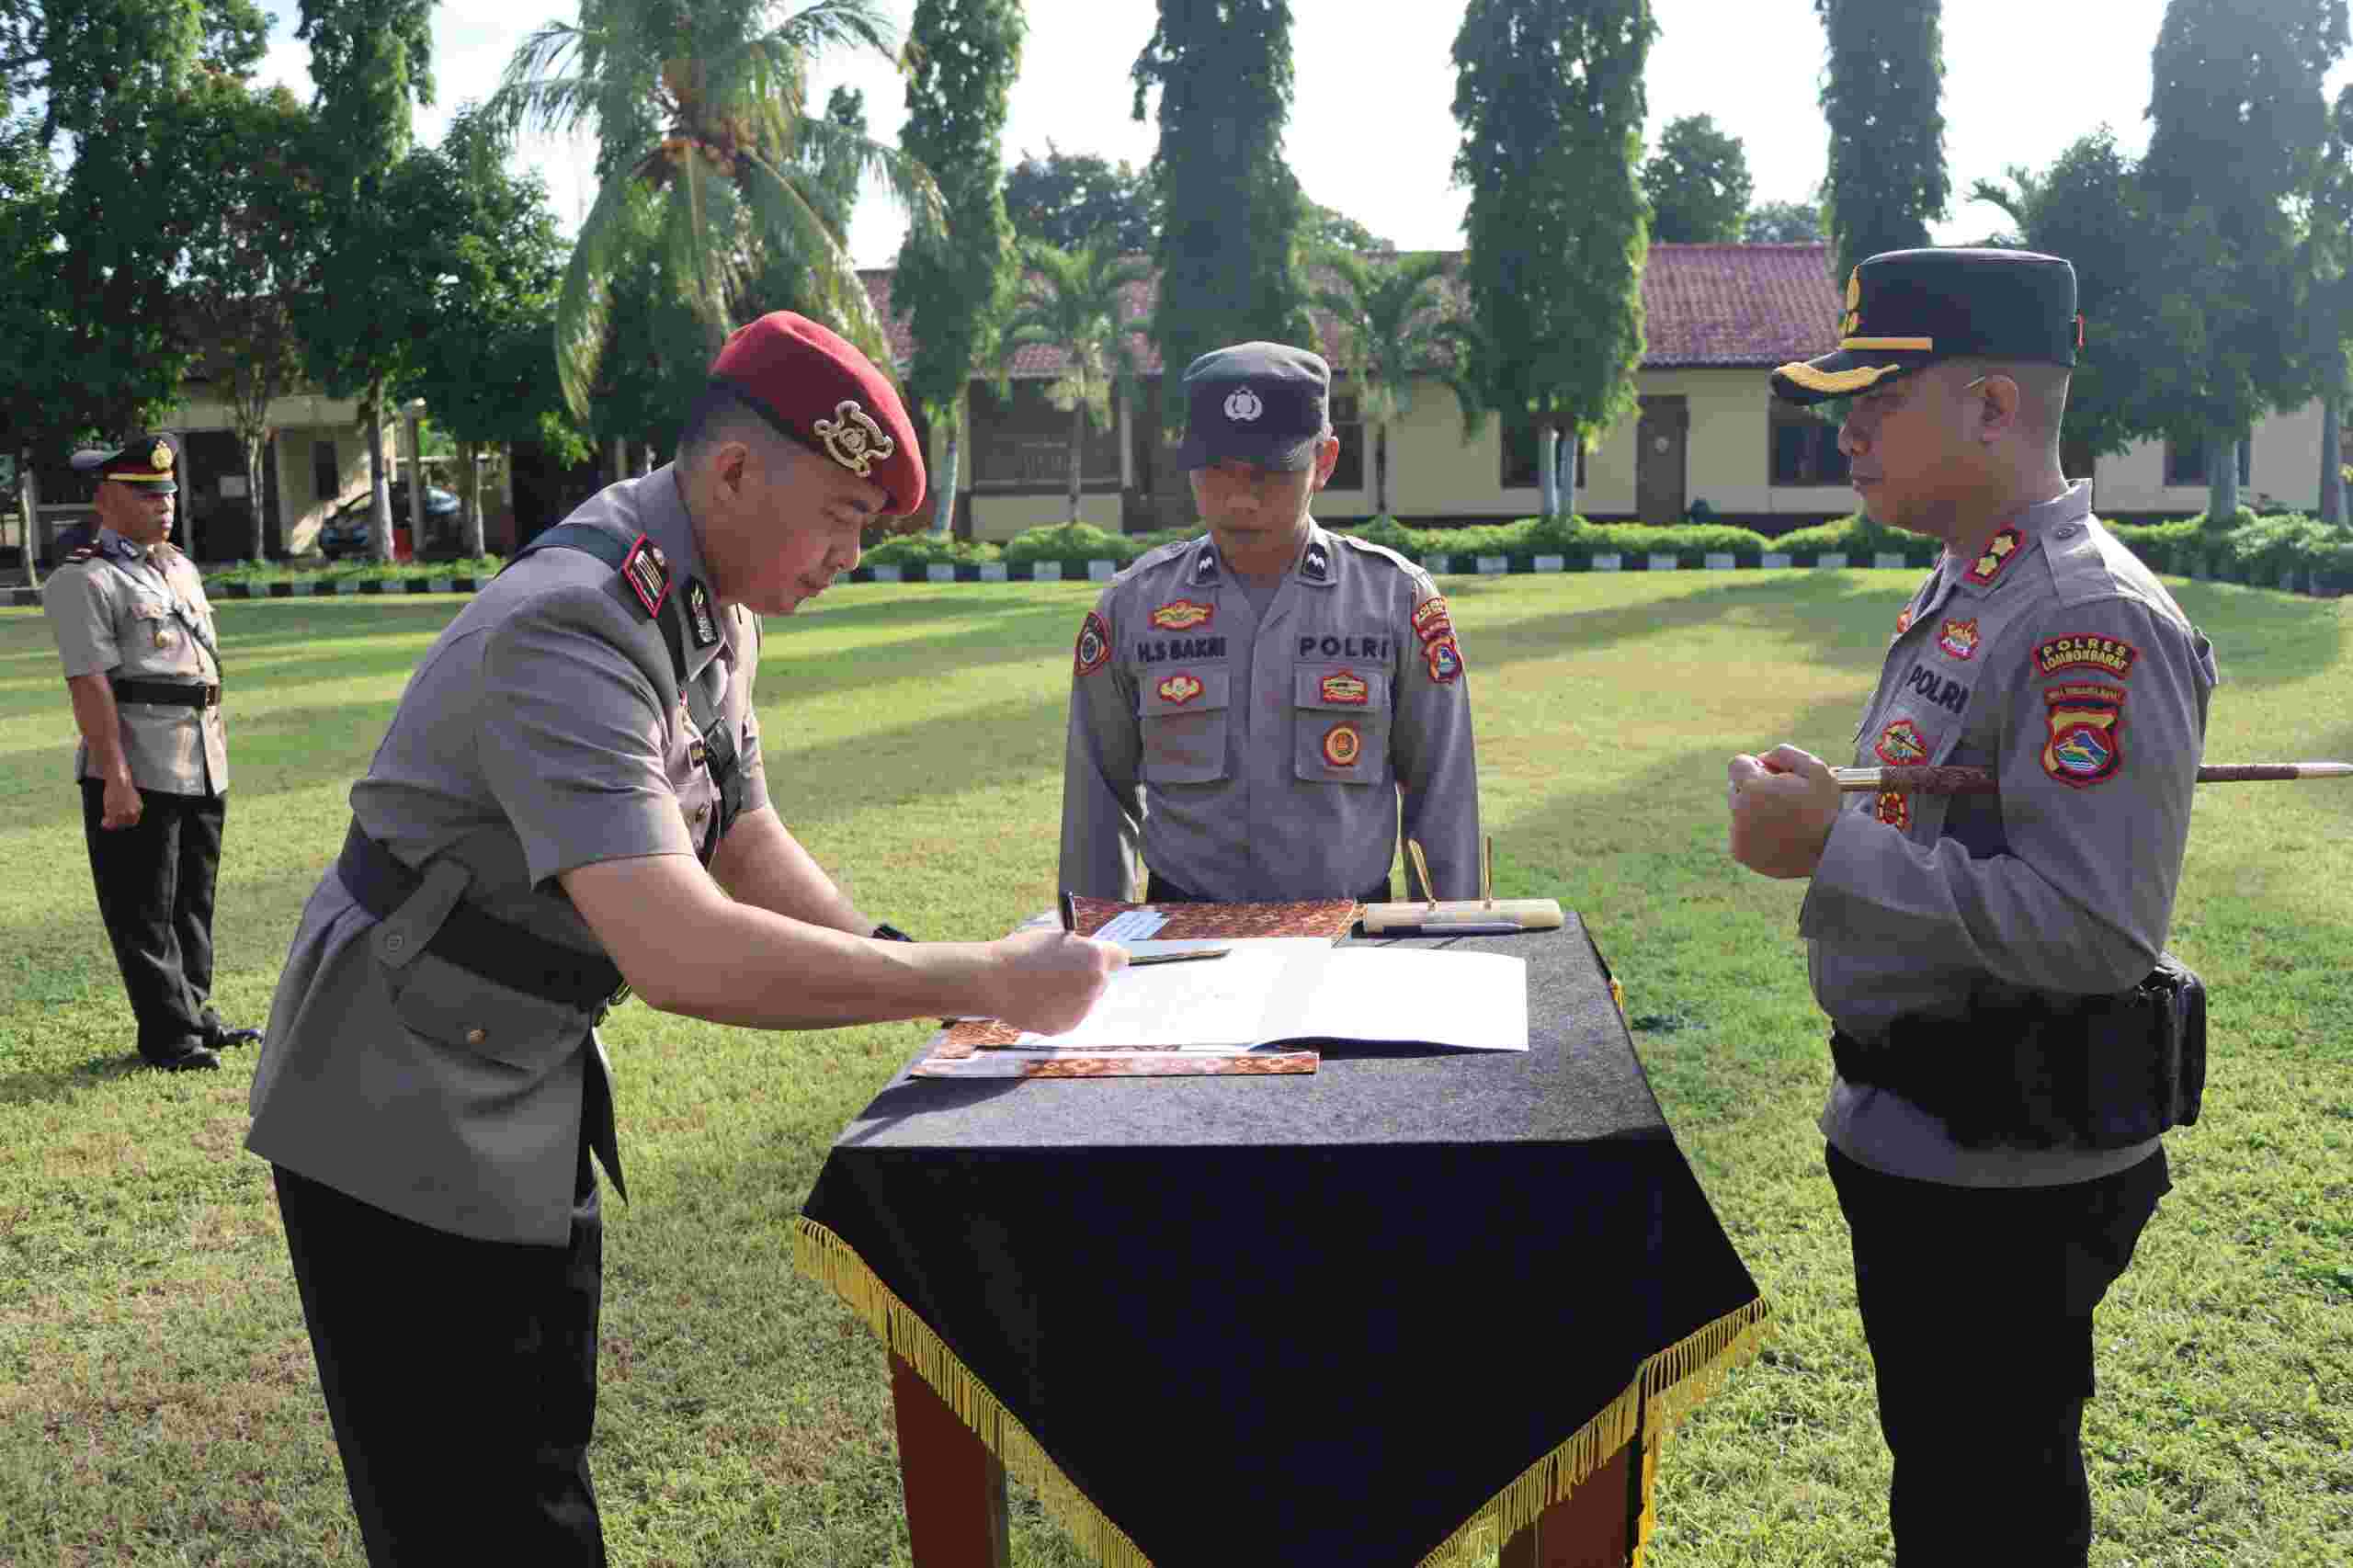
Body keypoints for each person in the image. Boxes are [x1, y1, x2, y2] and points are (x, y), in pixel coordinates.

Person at [245, 312, 1124, 1566]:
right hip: (398, 1090)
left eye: (867, 528)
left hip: (519, 1065)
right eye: (839, 515)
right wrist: (983, 976)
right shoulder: (574, 623)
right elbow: (681, 949)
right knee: (466, 1506)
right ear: (730, 475)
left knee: (539, 1448)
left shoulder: (711, 603)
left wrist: (931, 980)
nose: (848, 555)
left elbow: (741, 837)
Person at [1725, 247, 2219, 1564]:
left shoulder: (2086, 614)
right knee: (1948, 1492)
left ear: (1995, 408)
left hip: (2007, 1166)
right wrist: (1847, 808)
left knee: (1991, 1507)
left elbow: (2097, 927)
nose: (1848, 426)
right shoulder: (1973, 577)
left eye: (1881, 394)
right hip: (1924, 1134)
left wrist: (1830, 842)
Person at [1060, 341, 1482, 904]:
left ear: (1324, 462)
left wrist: (1454, 940)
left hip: (1347, 942)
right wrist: (1094, 945)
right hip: (1184, 943)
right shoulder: (1133, 607)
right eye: (1216, 468)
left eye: (1268, 470)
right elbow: (1098, 799)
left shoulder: (1394, 600)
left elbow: (1443, 793)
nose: (1239, 495)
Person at [42, 434, 258, 1074]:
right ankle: (168, 1036)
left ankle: (193, 1012)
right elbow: (90, 684)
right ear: (107, 498)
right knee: (145, 907)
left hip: (201, 756)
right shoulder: (82, 579)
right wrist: (115, 777)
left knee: (193, 898)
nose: (163, 503)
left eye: (167, 491)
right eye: (146, 492)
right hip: (138, 761)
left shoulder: (177, 567)